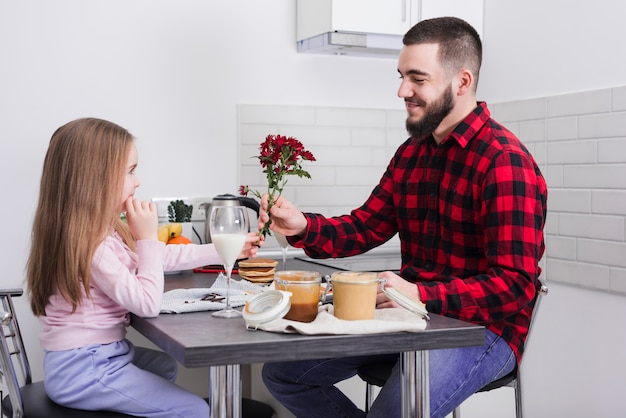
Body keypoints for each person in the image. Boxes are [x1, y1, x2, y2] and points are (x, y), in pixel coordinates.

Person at [258, 16, 547, 418]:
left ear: (462, 82)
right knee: (285, 374)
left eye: (417, 78)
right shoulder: (412, 154)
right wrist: (305, 226)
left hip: (484, 332)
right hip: (410, 317)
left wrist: (421, 295)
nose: (402, 91)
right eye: (401, 76)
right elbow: (366, 226)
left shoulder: (504, 163)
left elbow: (514, 286)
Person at [26, 117, 262, 418]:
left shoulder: (98, 232)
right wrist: (147, 237)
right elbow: (147, 304)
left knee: (163, 365)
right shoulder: (91, 246)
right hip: (85, 367)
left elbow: (157, 258)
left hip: (94, 356)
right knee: (194, 410)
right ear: (95, 177)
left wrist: (223, 250)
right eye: (130, 171)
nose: (137, 181)